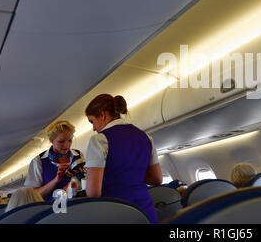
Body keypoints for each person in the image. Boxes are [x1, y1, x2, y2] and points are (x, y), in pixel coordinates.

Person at [84, 94, 162, 224]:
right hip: (146, 212)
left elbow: (93, 193)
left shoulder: (99, 140)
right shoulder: (146, 137)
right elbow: (157, 179)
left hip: (116, 212)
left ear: (102, 115)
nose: (93, 128)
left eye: (92, 121)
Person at [24, 120, 85, 201]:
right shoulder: (38, 161)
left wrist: (81, 176)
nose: (66, 145)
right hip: (51, 210)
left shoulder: (79, 155)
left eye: (69, 140)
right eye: (61, 141)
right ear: (51, 140)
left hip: (77, 206)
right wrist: (56, 180)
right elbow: (33, 196)